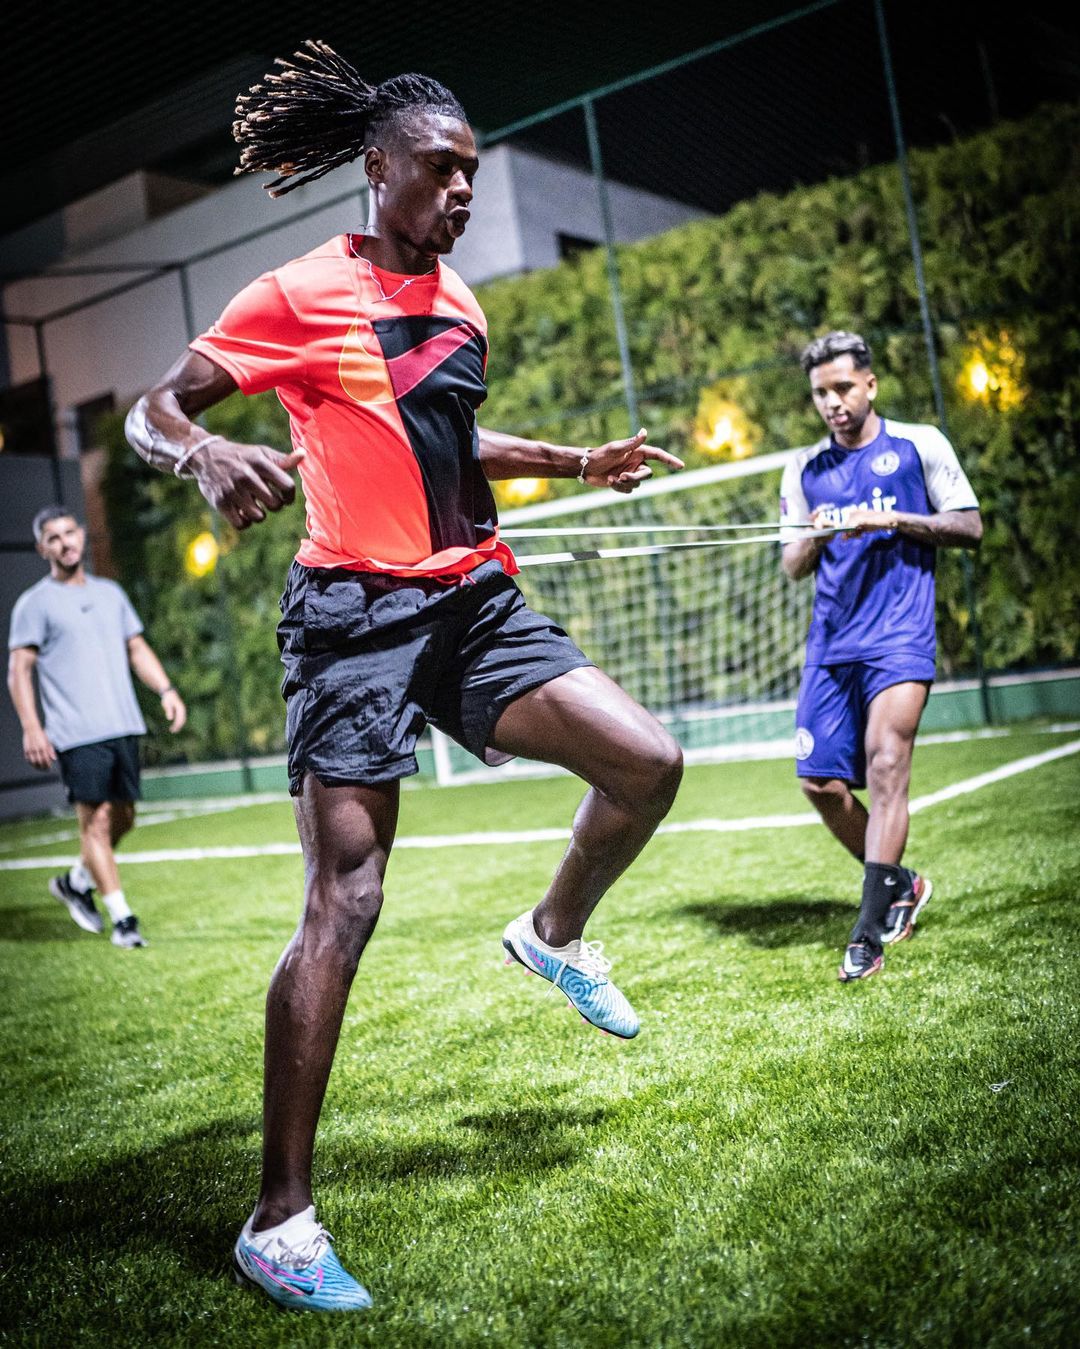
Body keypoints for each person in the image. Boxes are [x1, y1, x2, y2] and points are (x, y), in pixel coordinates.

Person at [125, 40, 685, 1314]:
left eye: (474, 173)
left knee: (649, 761)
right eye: (442, 169)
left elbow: (449, 437)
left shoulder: (461, 303)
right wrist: (201, 454)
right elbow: (155, 408)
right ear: (377, 169)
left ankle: (552, 935)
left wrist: (570, 458)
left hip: (470, 595)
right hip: (354, 619)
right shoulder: (299, 292)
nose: (464, 192)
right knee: (348, 898)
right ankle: (279, 1219)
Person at [779, 330, 982, 983]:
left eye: (842, 388)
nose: (832, 402)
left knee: (888, 762)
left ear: (870, 384)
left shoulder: (919, 444)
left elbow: (968, 525)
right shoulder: (805, 469)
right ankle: (901, 881)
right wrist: (818, 533)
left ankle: (868, 932)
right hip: (831, 644)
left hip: (899, 636)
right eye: (820, 393)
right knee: (819, 784)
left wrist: (889, 520)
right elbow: (791, 564)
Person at [7, 506, 187, 947]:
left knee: (124, 817)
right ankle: (124, 921)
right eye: (54, 537)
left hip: (122, 725)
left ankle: (74, 881)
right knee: (97, 824)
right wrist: (32, 727)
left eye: (71, 533)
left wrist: (166, 690)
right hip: (75, 732)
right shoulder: (34, 604)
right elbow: (18, 670)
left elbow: (136, 647)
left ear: (82, 536)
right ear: (41, 548)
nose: (65, 542)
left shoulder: (110, 593)